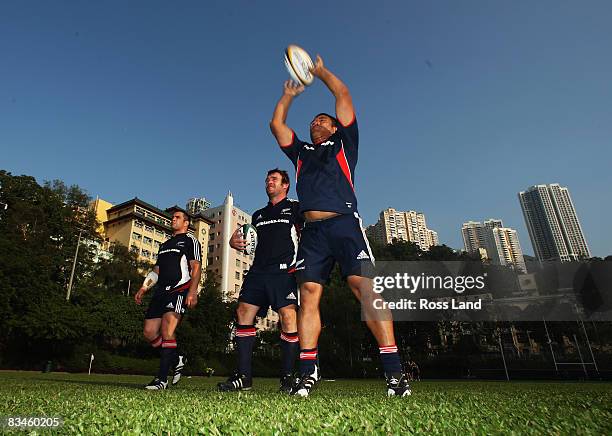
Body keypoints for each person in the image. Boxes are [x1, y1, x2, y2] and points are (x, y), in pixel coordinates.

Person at [270, 55, 411, 397]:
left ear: (334, 127)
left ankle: (394, 374)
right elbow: (277, 125)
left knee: (365, 289)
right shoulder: (301, 153)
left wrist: (320, 73)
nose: (315, 124)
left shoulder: (345, 144)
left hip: (345, 226)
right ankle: (307, 372)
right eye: (313, 121)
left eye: (322, 120)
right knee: (308, 296)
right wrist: (289, 94)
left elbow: (343, 94)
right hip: (313, 234)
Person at [217, 169, 303, 393]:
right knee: (243, 312)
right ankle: (244, 377)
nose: (269, 181)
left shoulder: (295, 208)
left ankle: (287, 377)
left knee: (288, 317)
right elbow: (244, 240)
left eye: (274, 179)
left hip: (285, 271)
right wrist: (232, 241)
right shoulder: (258, 215)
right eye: (267, 179)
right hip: (258, 272)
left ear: (285, 185)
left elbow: (308, 235)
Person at [135, 210, 202, 390]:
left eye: (177, 217)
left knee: (167, 330)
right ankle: (176, 357)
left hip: (178, 290)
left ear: (186, 223)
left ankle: (161, 379)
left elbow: (196, 267)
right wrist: (144, 287)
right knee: (149, 333)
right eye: (172, 217)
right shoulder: (164, 245)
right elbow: (156, 271)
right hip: (159, 293)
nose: (173, 219)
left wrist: (192, 292)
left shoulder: (190, 240)